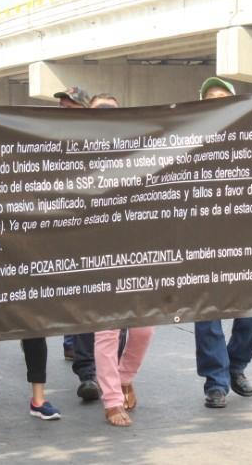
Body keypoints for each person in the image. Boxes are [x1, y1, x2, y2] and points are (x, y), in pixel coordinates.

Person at [194, 77, 252, 409]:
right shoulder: (189, 140)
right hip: (203, 242)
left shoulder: (250, 140)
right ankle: (216, 381)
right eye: (211, 100)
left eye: (225, 99)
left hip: (249, 240)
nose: (218, 104)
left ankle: (235, 365)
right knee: (207, 315)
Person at [88, 94, 154, 427]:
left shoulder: (141, 155)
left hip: (137, 255)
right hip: (99, 257)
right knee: (107, 331)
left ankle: (125, 375)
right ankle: (112, 401)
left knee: (144, 329)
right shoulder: (79, 159)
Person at [54, 86, 101, 401]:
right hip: (72, 237)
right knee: (84, 305)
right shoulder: (50, 143)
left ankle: (113, 373)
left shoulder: (106, 143)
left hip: (107, 237)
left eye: (72, 108)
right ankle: (88, 373)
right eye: (62, 107)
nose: (65, 113)